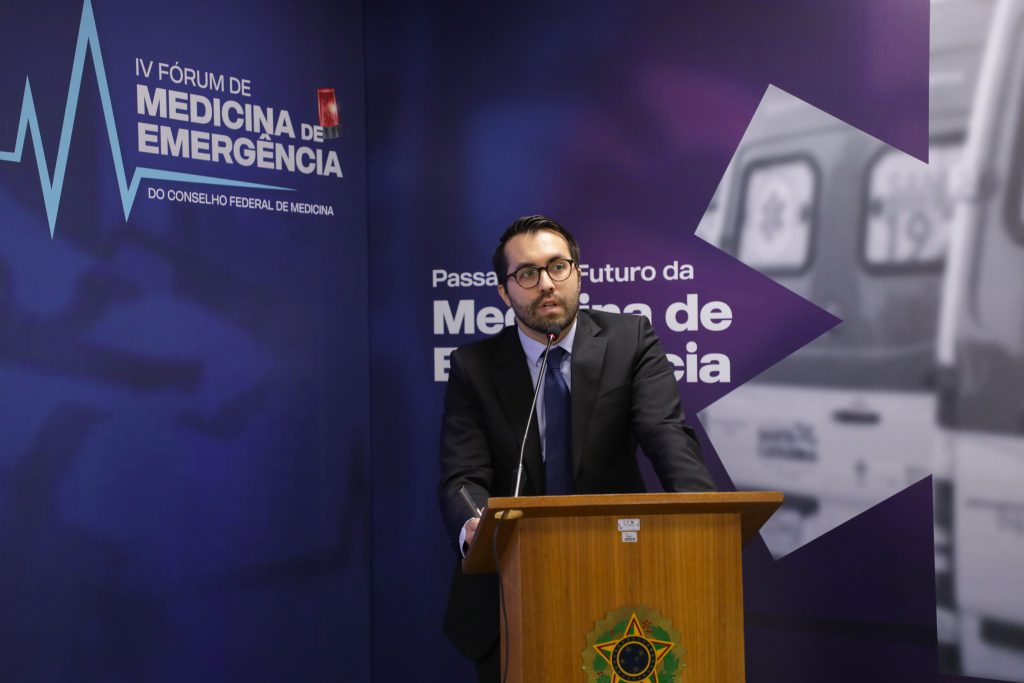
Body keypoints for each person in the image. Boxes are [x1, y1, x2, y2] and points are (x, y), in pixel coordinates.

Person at [438, 215, 716, 683]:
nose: (547, 284)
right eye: (528, 273)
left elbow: (666, 435)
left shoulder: (631, 340)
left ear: (578, 273)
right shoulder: (474, 366)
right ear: (504, 292)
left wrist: (706, 520)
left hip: (621, 579)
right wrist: (475, 524)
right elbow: (463, 475)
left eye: (557, 266)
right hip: (511, 592)